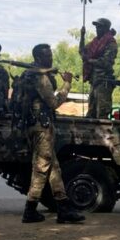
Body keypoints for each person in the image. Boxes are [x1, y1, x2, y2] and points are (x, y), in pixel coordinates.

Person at [20, 44, 85, 224]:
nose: (51, 58)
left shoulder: (29, 74)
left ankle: (63, 208)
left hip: (33, 125)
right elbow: (53, 102)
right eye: (47, 56)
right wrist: (67, 84)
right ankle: (30, 209)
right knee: (42, 168)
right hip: (42, 126)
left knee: (53, 168)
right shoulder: (41, 77)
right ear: (39, 57)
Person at [81, 18, 118, 119]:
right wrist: (82, 36)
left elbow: (106, 62)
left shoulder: (111, 43)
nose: (97, 29)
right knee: (91, 113)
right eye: (96, 27)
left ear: (106, 28)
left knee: (102, 113)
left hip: (103, 81)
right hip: (94, 81)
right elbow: (83, 52)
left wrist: (89, 61)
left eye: (100, 27)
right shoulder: (95, 42)